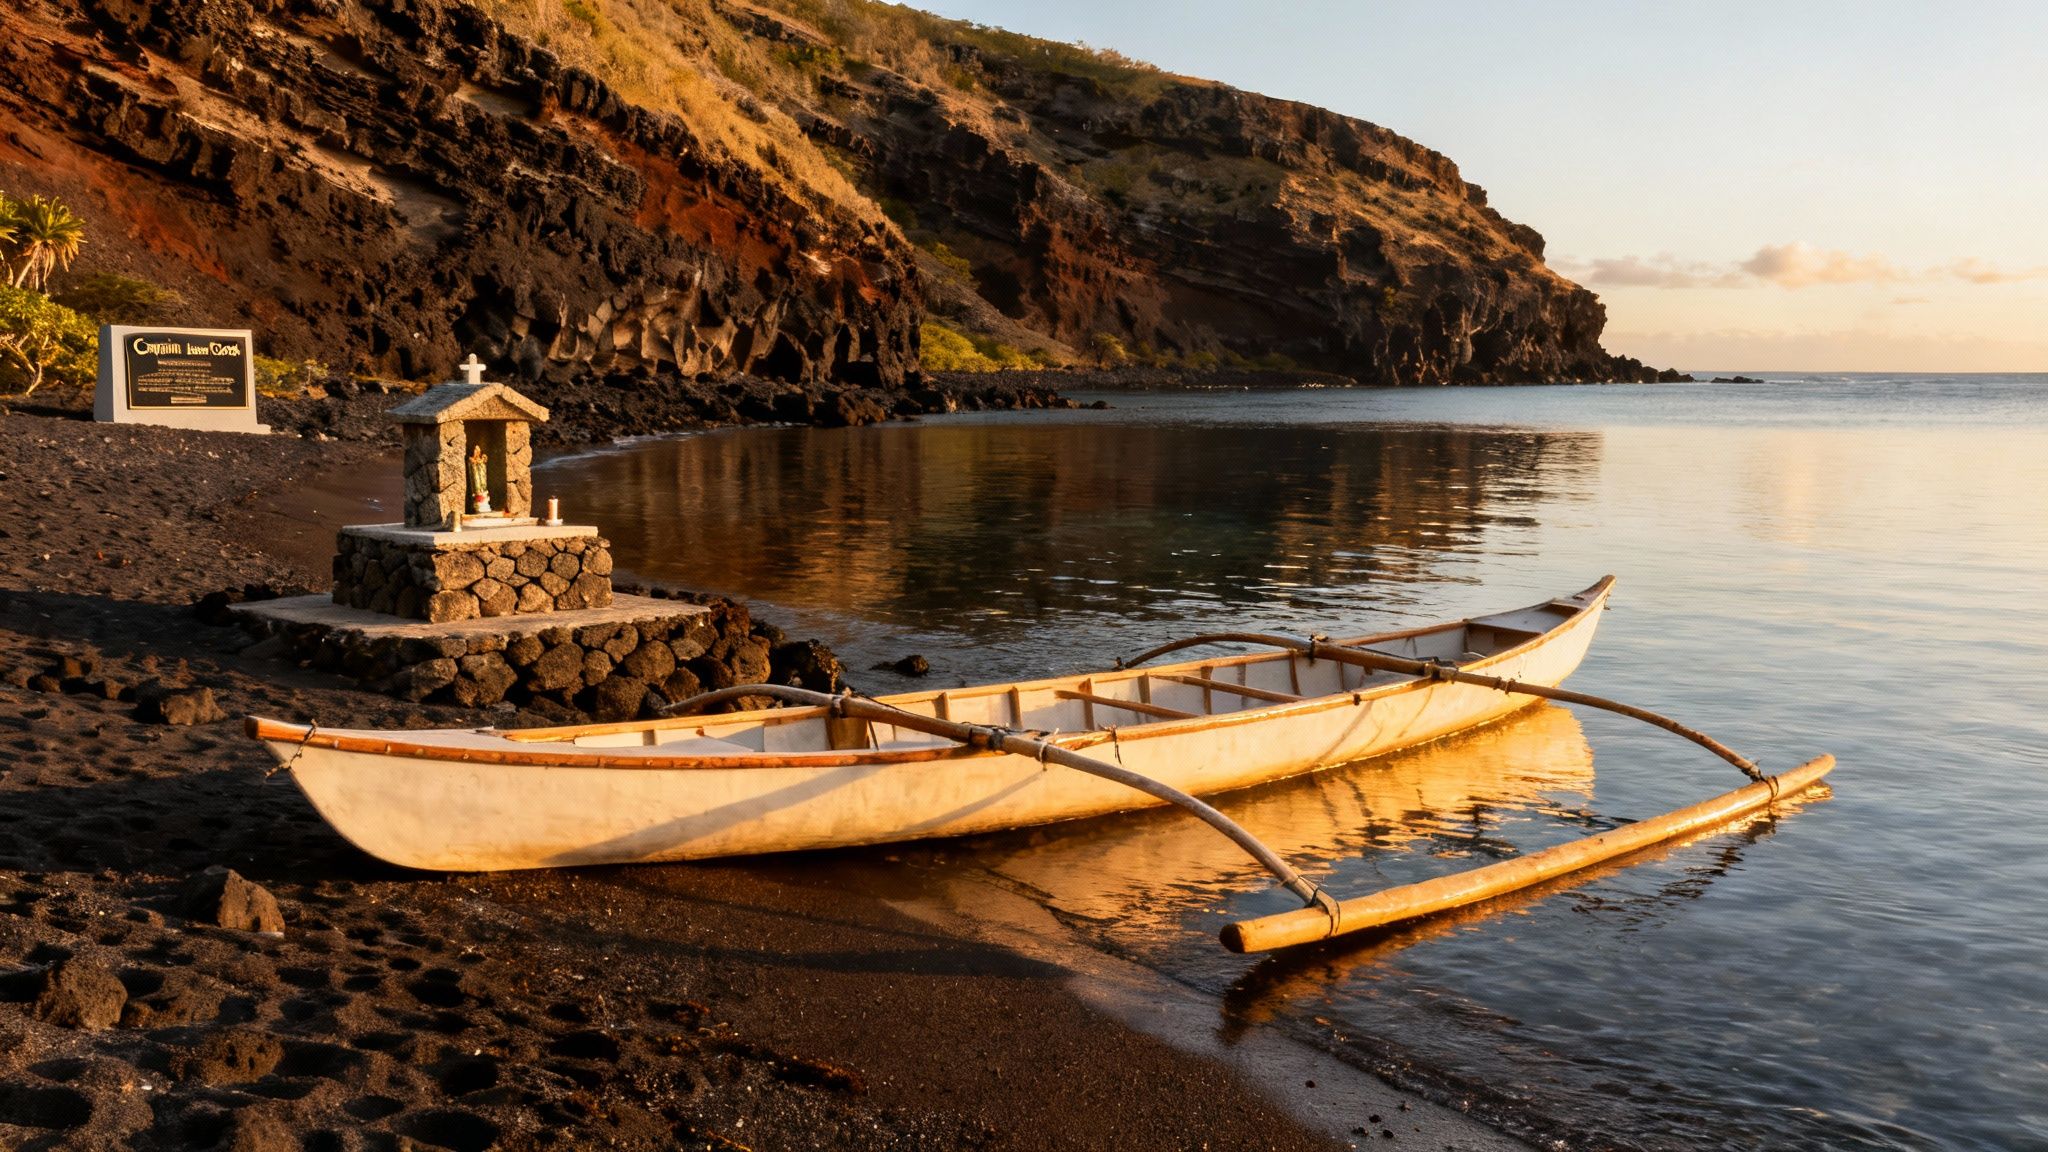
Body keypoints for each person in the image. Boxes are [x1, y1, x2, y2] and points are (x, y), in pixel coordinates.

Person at [468, 443, 492, 513]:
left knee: (483, 486)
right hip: (476, 479)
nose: (476, 451)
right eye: (475, 449)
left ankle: (484, 504)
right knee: (477, 486)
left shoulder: (481, 459)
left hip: (482, 479)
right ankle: (478, 505)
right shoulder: (471, 459)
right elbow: (472, 465)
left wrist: (481, 462)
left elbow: (483, 467)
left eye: (478, 449)